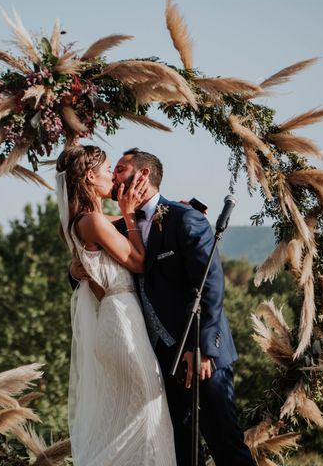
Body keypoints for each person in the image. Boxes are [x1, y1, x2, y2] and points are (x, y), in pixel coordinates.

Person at [71, 148, 255, 466]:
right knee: (179, 450)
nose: (113, 176)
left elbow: (210, 284)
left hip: (199, 353)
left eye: (121, 169)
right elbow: (92, 261)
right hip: (157, 358)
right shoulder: (114, 227)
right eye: (111, 170)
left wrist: (202, 347)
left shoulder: (185, 219)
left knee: (225, 444)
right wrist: (74, 272)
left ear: (143, 175)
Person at [56, 145, 177, 466]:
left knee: (130, 419)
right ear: (89, 177)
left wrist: (168, 208)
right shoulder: (92, 221)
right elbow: (138, 262)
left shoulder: (85, 220)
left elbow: (128, 222)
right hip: (122, 325)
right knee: (148, 412)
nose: (112, 176)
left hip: (117, 321)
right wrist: (128, 213)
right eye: (108, 170)